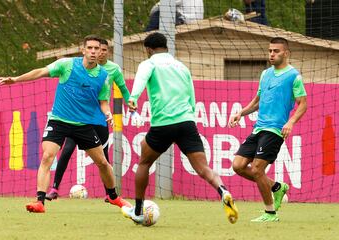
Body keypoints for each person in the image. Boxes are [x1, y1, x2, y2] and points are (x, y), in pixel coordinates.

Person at [0, 35, 131, 213]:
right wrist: (15, 79)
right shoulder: (66, 65)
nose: (93, 51)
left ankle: (114, 197)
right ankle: (40, 201)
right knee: (47, 156)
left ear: (101, 52)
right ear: (83, 50)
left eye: (96, 49)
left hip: (84, 124)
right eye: (89, 48)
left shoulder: (103, 76)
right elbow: (40, 71)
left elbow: (103, 101)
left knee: (103, 163)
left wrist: (107, 113)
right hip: (59, 120)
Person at [121, 32, 238, 224]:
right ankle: (223, 190)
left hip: (163, 124)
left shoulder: (149, 63)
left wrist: (133, 98)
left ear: (148, 49)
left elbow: (141, 79)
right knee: (203, 168)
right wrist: (189, 117)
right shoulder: (181, 66)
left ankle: (139, 211)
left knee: (144, 163)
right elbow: (191, 95)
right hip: (186, 122)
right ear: (166, 47)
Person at [229, 37, 307, 222]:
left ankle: (270, 213)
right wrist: (241, 113)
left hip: (275, 130)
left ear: (286, 53)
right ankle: (277, 187)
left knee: (256, 169)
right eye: (270, 50)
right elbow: (257, 101)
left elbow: (303, 104)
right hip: (259, 129)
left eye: (276, 51)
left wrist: (290, 122)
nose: (272, 54)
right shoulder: (265, 74)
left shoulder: (293, 76)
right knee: (238, 166)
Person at [45, 38, 131, 202]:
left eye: (102, 50)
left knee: (103, 157)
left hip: (99, 119)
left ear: (105, 52)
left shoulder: (111, 70)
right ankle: (54, 188)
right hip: (79, 118)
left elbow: (122, 88)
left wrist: (130, 103)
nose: (98, 52)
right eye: (93, 48)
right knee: (68, 148)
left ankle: (110, 194)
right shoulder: (80, 66)